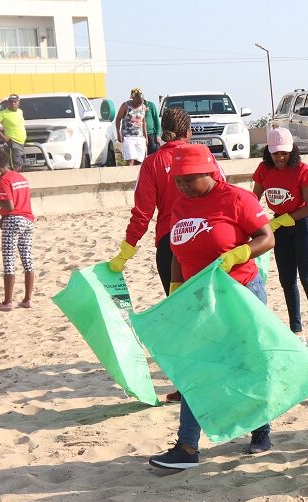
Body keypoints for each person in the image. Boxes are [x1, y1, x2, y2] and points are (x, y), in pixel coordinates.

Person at [148, 143, 275, 470]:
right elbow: (177, 251)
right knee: (195, 367)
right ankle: (187, 447)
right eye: (178, 180)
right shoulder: (180, 206)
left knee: (247, 364)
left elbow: (266, 236)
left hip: (240, 292)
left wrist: (238, 254)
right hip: (199, 297)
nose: (184, 186)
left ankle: (261, 430)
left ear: (210, 172)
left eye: (190, 179)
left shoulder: (237, 199)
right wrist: (177, 291)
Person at [108, 108, 226, 403]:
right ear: (189, 132)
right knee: (215, 311)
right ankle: (220, 375)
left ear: (162, 131)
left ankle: (189, 383)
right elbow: (224, 191)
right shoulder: (203, 156)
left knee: (184, 317)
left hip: (171, 245)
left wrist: (127, 249)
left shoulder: (152, 162)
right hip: (209, 240)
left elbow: (143, 212)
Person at [252, 127, 308, 350]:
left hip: (306, 223)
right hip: (279, 226)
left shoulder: (303, 169)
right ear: (269, 152)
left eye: (284, 153)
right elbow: (253, 200)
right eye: (276, 153)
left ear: (291, 150)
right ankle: (297, 331)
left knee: (307, 277)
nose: (280, 157)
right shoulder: (263, 170)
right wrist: (261, 223)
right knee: (287, 280)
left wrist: (286, 219)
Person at [0, 147, 35, 311]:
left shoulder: (3, 180)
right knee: (27, 259)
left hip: (14, 221)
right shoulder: (21, 177)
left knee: (9, 261)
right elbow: (19, 202)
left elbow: (10, 205)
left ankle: (7, 302)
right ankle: (27, 299)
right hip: (28, 220)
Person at [0, 94, 26, 172]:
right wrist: (2, 136)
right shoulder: (3, 113)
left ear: (18, 102)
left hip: (21, 142)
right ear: (8, 103)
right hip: (12, 142)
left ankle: (16, 179)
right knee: (15, 164)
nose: (13, 103)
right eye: (11, 102)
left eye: (15, 102)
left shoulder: (20, 111)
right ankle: (14, 180)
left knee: (19, 164)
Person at [115, 88, 148, 166]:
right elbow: (118, 119)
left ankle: (137, 178)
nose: (139, 105)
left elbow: (143, 122)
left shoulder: (143, 107)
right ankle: (129, 177)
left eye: (141, 102)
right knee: (130, 160)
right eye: (137, 103)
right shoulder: (125, 105)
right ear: (133, 99)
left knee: (139, 162)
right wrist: (118, 133)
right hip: (128, 137)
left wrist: (146, 137)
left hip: (140, 137)